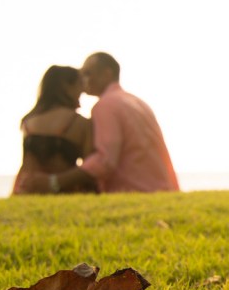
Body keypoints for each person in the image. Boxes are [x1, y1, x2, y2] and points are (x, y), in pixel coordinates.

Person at [26, 52, 180, 194]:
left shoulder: (105, 106)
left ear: (107, 74)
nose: (84, 79)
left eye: (88, 73)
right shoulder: (137, 102)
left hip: (132, 191)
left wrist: (54, 182)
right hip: (162, 190)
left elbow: (105, 161)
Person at [12, 65, 95, 195]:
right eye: (80, 84)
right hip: (64, 192)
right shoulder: (79, 122)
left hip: (27, 191)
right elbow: (89, 169)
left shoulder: (28, 121)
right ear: (67, 87)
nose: (83, 90)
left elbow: (25, 167)